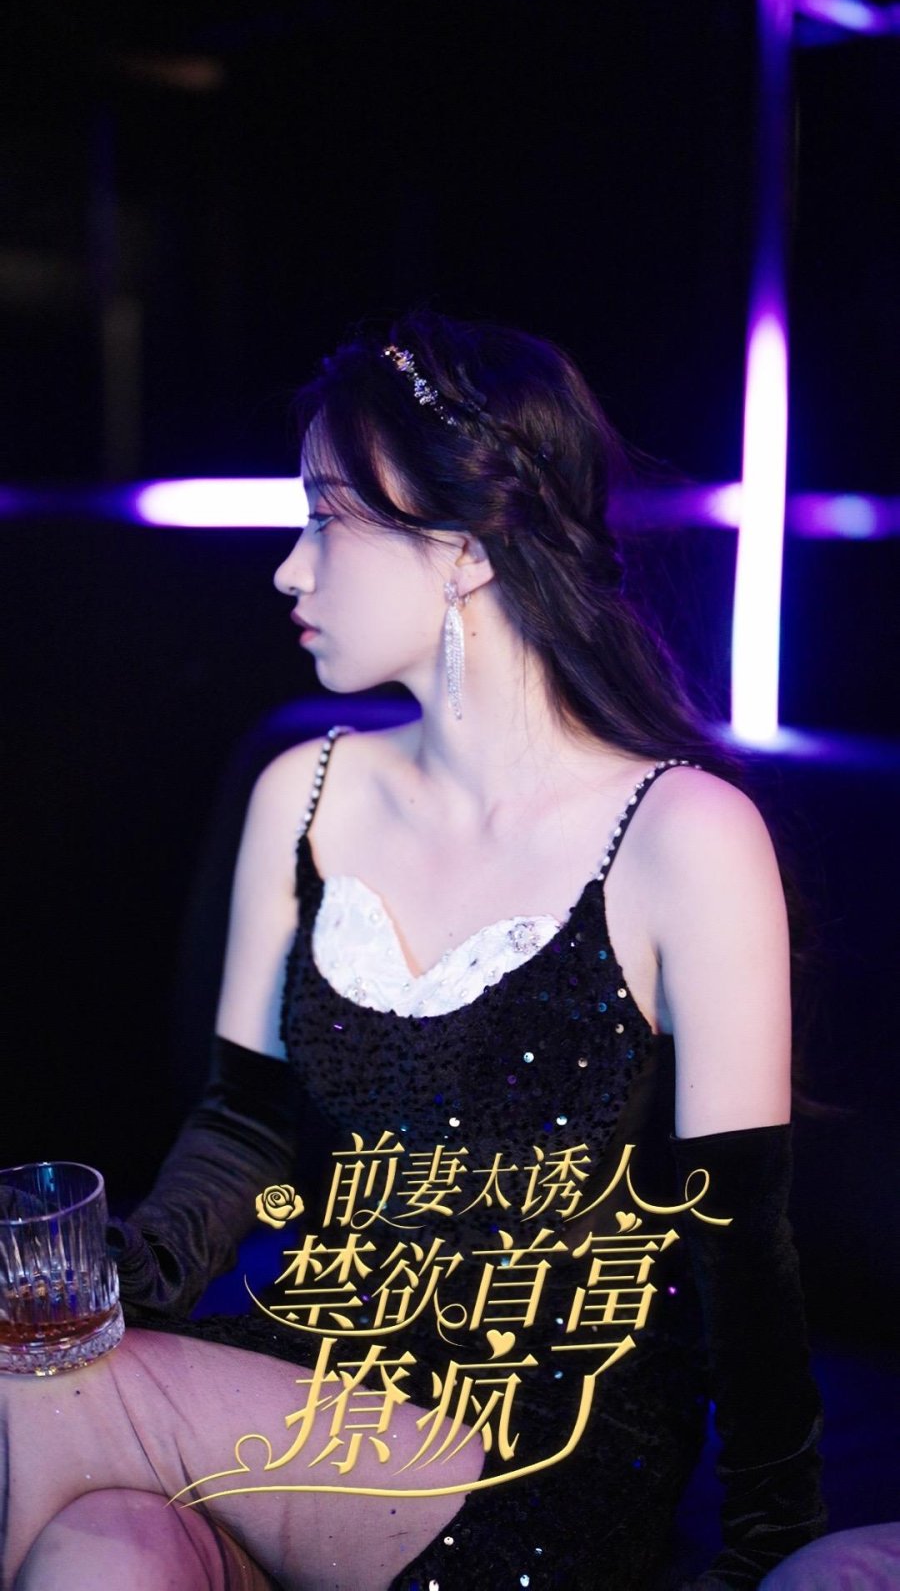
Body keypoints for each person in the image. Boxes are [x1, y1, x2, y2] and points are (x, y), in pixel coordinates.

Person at [1, 310, 826, 1590]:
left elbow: (738, 1235)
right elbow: (244, 1124)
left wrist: (772, 1549)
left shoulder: (687, 835)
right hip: (307, 1370)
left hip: (537, 1439)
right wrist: (114, 1285)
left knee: (39, 1394)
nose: (290, 568)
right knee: (100, 1547)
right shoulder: (304, 790)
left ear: (463, 551)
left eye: (327, 518)